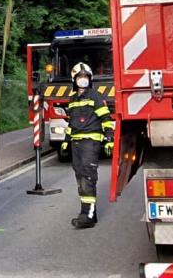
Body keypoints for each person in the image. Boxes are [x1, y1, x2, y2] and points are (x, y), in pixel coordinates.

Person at [60, 62, 114, 229]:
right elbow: (71, 123)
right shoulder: (72, 99)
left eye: (85, 77)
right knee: (80, 176)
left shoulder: (95, 96)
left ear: (90, 79)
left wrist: (109, 138)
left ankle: (87, 216)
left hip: (90, 142)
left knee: (88, 177)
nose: (83, 79)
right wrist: (66, 140)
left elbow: (106, 119)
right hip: (76, 143)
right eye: (80, 77)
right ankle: (89, 213)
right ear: (74, 79)